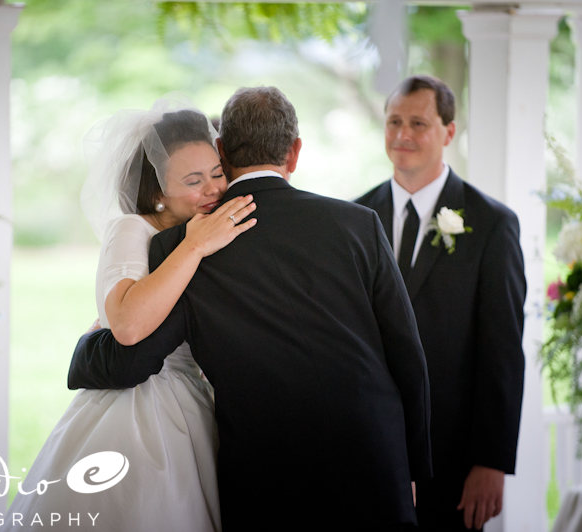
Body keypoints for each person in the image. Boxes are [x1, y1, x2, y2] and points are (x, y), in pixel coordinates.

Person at [68, 86, 432, 531]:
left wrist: (86, 351)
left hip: (268, 475)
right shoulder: (358, 224)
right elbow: (407, 355)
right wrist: (412, 467)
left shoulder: (190, 242)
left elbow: (133, 357)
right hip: (373, 459)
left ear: (221, 149)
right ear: (294, 152)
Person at [3, 104, 257, 532]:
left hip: (199, 401)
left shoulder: (214, 226)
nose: (212, 189)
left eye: (217, 172)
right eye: (193, 181)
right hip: (141, 408)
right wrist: (193, 247)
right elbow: (126, 325)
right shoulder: (133, 230)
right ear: (157, 190)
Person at [355, 75, 526, 531]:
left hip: (451, 455)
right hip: (367, 447)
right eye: (394, 121)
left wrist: (491, 461)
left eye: (418, 123)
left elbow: (503, 349)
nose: (402, 135)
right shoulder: (354, 218)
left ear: (449, 132)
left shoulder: (492, 224)